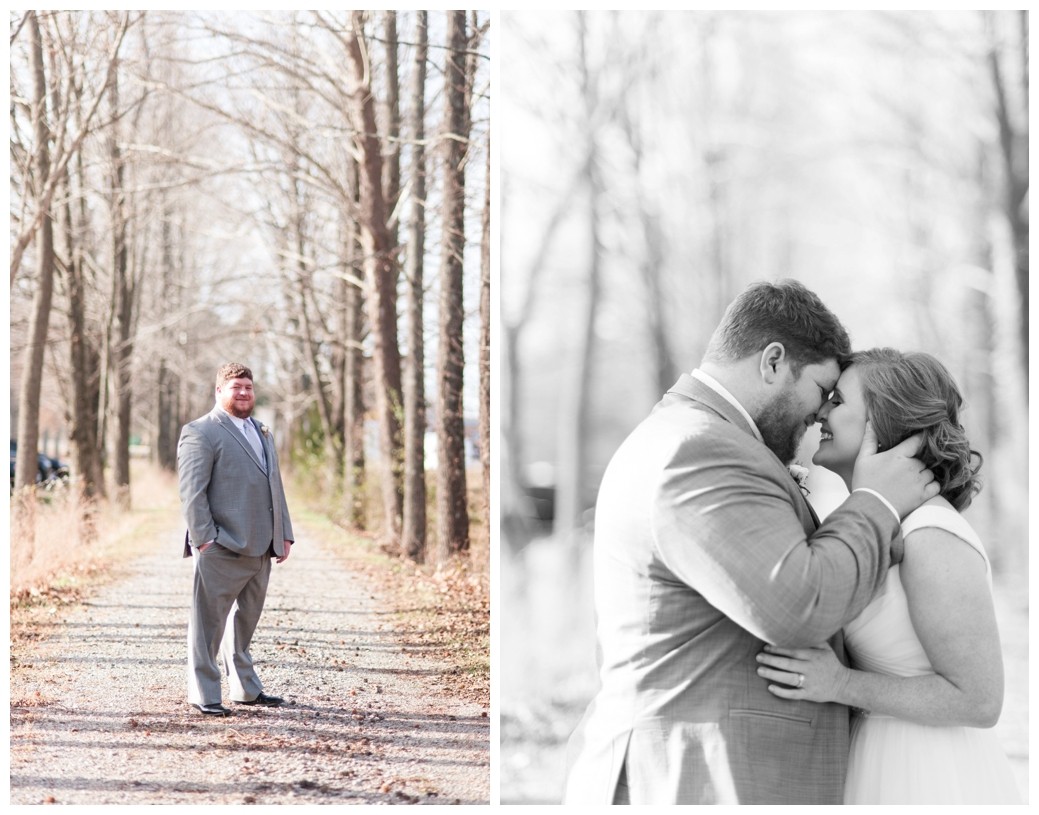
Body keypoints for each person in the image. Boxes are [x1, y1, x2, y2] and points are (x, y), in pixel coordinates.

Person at [562, 279, 940, 805]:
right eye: (820, 389)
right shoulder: (700, 450)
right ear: (773, 361)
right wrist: (877, 502)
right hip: (703, 779)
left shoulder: (692, 436)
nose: (821, 412)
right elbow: (799, 604)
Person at [756, 348, 1021, 803]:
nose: (819, 413)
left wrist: (840, 684)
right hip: (872, 760)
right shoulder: (876, 522)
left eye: (836, 402)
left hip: (926, 774)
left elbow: (980, 700)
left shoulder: (930, 531)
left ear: (885, 423)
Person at [178, 362, 294, 716]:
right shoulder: (201, 432)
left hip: (263, 547)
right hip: (222, 546)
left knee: (245, 623)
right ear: (219, 391)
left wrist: (285, 534)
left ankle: (245, 688)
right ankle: (204, 694)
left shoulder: (261, 430)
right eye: (235, 387)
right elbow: (192, 492)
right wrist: (204, 541)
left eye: (248, 386)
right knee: (207, 626)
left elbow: (275, 484)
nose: (243, 392)